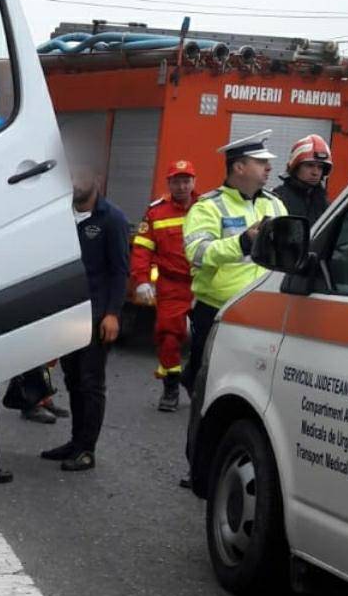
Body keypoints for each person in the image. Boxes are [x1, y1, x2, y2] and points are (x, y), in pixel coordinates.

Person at [181, 130, 289, 394]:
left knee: (250, 385)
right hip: (219, 310)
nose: (269, 167)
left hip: (263, 309)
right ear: (239, 167)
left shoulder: (276, 205)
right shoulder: (207, 206)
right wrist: (242, 242)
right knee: (207, 382)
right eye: (261, 162)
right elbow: (197, 252)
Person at [41, 166, 129, 472]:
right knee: (73, 381)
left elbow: (119, 270)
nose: (76, 182)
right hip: (67, 314)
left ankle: (87, 450)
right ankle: (75, 442)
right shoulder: (60, 215)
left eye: (82, 176)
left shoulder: (112, 219)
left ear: (97, 180)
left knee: (91, 383)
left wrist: (113, 314)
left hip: (95, 316)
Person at [130, 159, 198, 412]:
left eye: (186, 180)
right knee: (168, 337)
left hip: (207, 284)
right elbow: (142, 249)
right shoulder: (156, 212)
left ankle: (195, 382)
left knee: (209, 341)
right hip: (172, 285)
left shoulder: (208, 208)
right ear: (169, 184)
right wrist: (141, 280)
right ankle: (170, 388)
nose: (182, 186)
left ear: (194, 182)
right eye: (176, 181)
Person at [273, 134, 332, 226]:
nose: (315, 172)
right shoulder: (277, 199)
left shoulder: (323, 202)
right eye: (310, 165)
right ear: (295, 168)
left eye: (320, 167)